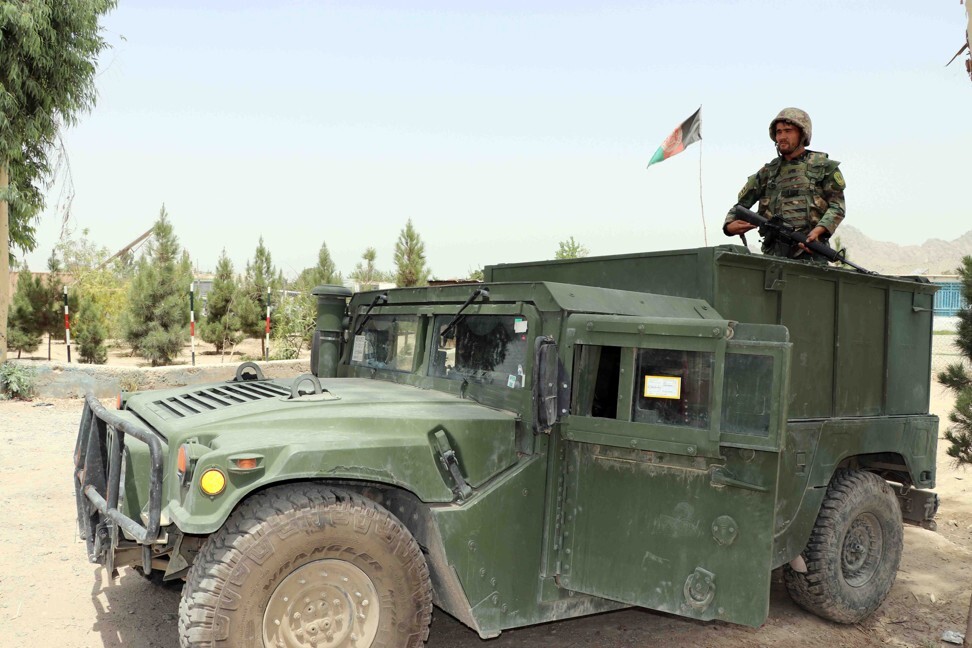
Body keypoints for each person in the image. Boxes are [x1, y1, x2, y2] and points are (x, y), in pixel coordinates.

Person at [724, 107, 846, 261]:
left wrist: (817, 232)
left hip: (811, 254)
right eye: (779, 132)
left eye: (788, 131)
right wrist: (729, 226)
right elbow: (739, 207)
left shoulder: (824, 167)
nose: (782, 136)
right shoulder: (768, 172)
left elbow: (838, 207)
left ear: (802, 134)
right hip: (773, 257)